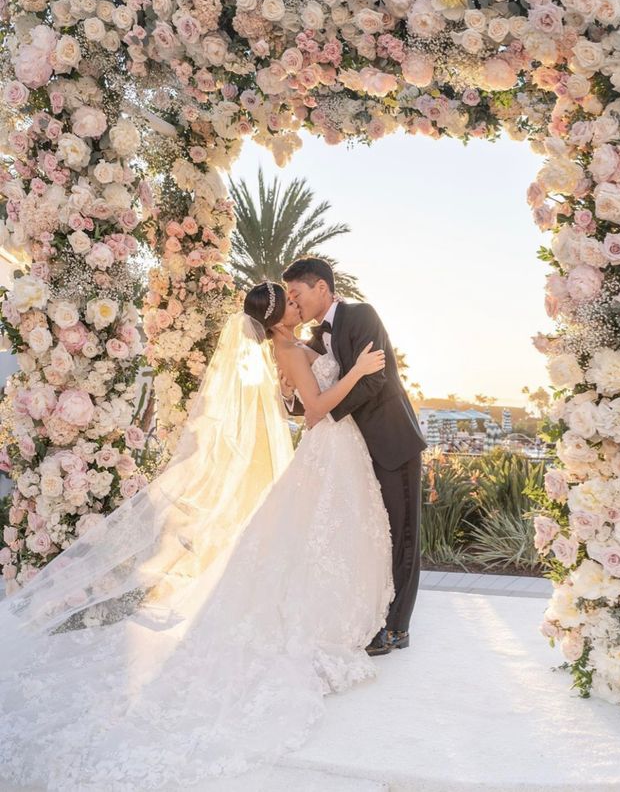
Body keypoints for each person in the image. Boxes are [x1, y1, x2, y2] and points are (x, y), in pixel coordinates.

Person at [0, 284, 394, 790]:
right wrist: (358, 372)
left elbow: (296, 401)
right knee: (315, 536)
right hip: (329, 442)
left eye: (299, 300)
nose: (300, 306)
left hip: (333, 451)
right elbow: (315, 409)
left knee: (316, 537)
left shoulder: (290, 348)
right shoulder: (290, 348)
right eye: (292, 304)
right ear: (276, 321)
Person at [281, 257, 426, 656]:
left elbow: (375, 378)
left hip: (391, 441)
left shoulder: (361, 315)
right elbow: (317, 391)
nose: (294, 301)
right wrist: (299, 399)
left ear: (321, 289)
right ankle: (371, 615)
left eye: (297, 293)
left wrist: (325, 411)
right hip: (352, 452)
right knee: (370, 537)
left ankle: (397, 627)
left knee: (403, 535)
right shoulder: (314, 336)